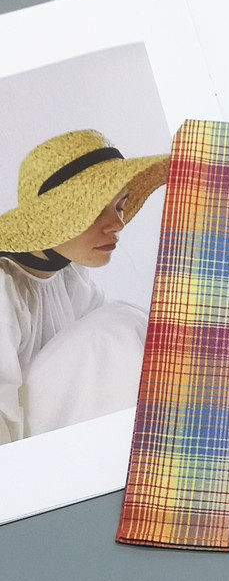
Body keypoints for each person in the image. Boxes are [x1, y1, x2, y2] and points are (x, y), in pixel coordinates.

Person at [0, 130, 169, 444]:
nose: (118, 224)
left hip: (64, 435)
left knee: (131, 324)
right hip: (19, 450)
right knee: (120, 326)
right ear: (53, 219)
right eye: (96, 209)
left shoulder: (69, 274)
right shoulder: (4, 286)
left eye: (120, 206)